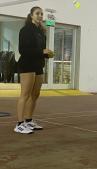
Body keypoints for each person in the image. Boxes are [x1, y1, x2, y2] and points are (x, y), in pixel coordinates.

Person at [14, 6, 54, 134]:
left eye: (42, 14)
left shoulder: (41, 32)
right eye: (37, 13)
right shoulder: (25, 30)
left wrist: (47, 54)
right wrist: (41, 51)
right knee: (25, 95)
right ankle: (19, 124)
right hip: (27, 64)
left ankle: (28, 120)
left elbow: (40, 51)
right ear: (31, 15)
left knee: (35, 95)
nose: (40, 16)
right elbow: (23, 50)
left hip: (38, 65)